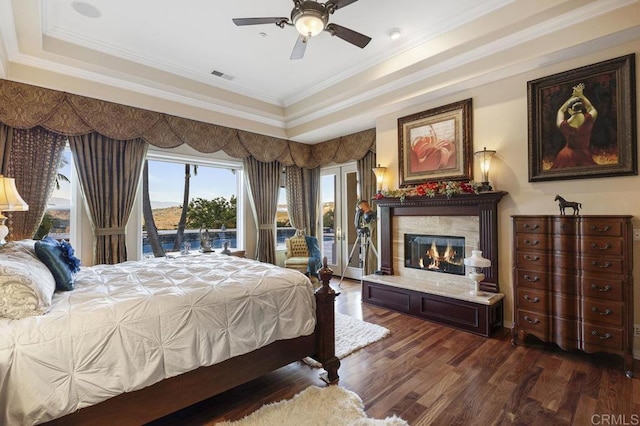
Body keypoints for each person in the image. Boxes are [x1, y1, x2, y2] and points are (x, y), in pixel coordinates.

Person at [551, 83, 598, 168]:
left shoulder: (564, 125)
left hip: (564, 156)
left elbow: (561, 110)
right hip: (584, 156)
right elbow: (590, 108)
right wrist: (580, 95)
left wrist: (573, 96)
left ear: (569, 110)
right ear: (581, 107)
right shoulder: (589, 119)